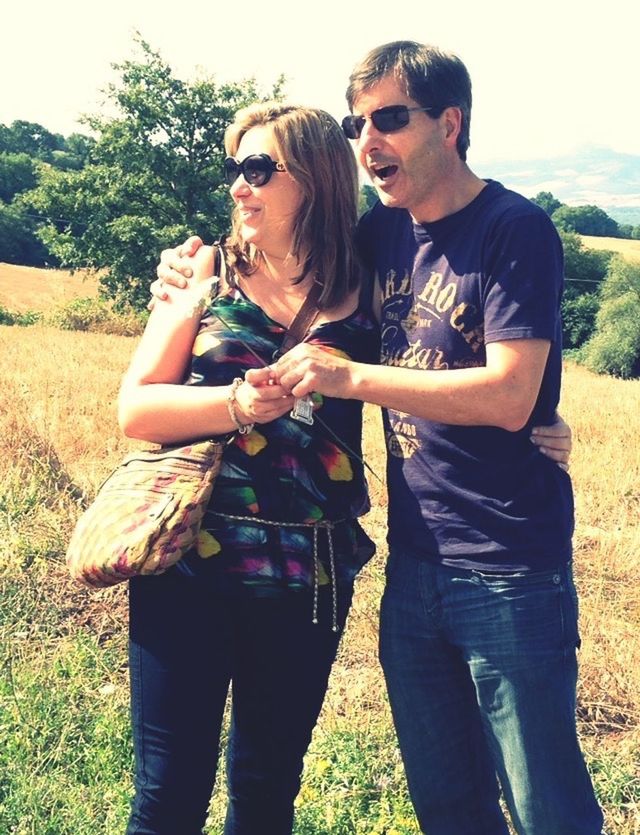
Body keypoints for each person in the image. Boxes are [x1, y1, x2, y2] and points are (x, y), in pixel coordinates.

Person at [156, 42, 600, 835]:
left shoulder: (516, 228)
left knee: (547, 809)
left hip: (510, 567)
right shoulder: (379, 237)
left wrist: (358, 380)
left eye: (390, 119)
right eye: (359, 123)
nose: (369, 141)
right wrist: (186, 271)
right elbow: (286, 252)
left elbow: (507, 391)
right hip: (412, 565)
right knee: (450, 806)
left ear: (451, 123)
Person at [118, 102, 380, 835]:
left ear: (318, 180)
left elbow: (442, 367)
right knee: (168, 794)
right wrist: (234, 402)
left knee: (267, 792)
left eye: (259, 168)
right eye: (237, 167)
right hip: (190, 562)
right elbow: (136, 410)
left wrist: (539, 417)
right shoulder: (205, 274)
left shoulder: (367, 295)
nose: (239, 185)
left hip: (309, 576)